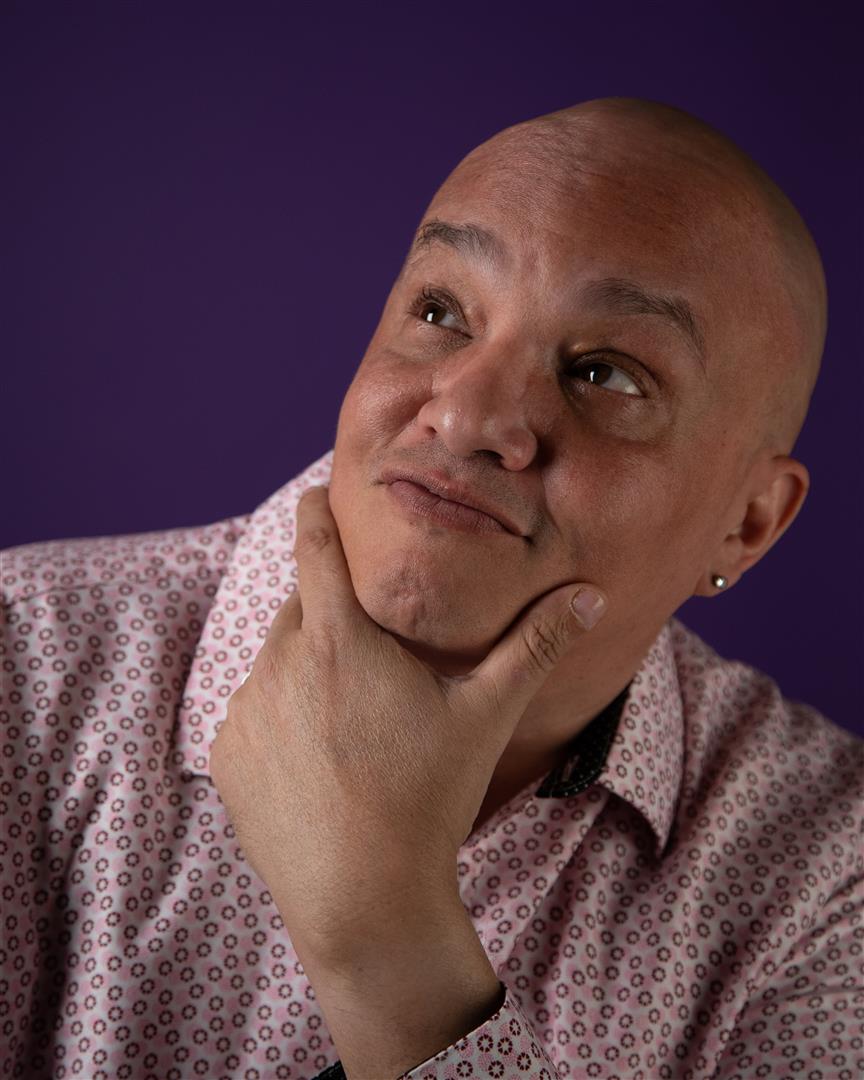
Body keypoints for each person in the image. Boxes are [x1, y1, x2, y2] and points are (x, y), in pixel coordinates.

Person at [1, 96, 861, 1080]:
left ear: (746, 522)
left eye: (606, 373)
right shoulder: (22, 671)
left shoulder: (831, 873)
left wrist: (389, 942)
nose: (468, 417)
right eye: (442, 312)